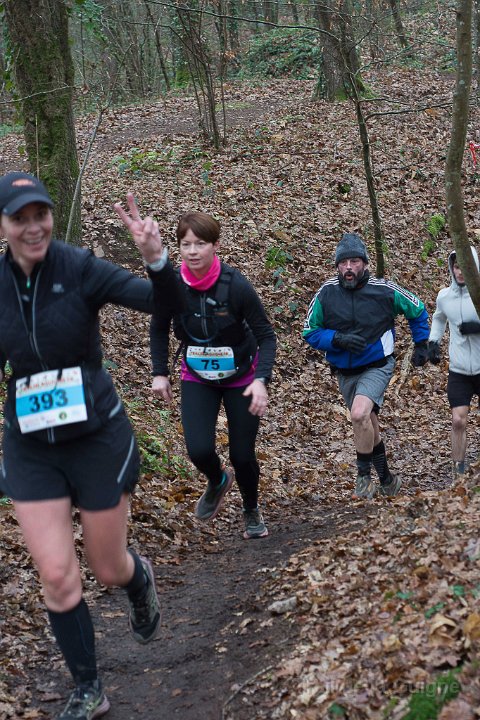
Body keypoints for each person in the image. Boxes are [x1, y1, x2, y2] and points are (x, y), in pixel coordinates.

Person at [0, 173, 180, 720]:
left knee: (107, 567)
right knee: (57, 575)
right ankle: (88, 688)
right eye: (20, 218)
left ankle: (137, 578)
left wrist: (156, 260)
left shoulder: (79, 267)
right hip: (31, 444)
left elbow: (164, 304)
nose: (34, 227)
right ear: (3, 226)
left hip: (96, 437)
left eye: (41, 215)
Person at [115, 206, 276, 539]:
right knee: (199, 449)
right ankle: (218, 480)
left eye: (200, 244)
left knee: (242, 454)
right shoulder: (173, 285)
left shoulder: (236, 286)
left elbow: (266, 336)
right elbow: (158, 328)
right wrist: (160, 373)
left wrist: (261, 380)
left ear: (215, 245)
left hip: (241, 378)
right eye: (185, 244)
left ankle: (251, 509)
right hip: (197, 375)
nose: (192, 252)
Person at [302, 232, 430, 499]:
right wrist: (337, 339)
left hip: (377, 365)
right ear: (337, 266)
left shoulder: (383, 290)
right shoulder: (326, 293)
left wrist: (421, 343)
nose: (349, 268)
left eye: (354, 262)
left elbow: (417, 309)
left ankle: (363, 480)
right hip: (345, 371)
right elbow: (309, 331)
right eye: (343, 263)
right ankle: (387, 479)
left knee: (359, 414)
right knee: (367, 421)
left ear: (365, 264)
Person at [428, 247, 480, 480]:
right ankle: (458, 472)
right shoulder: (444, 296)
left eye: (464, 266)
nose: (460, 272)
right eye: (456, 266)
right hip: (459, 370)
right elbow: (439, 318)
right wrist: (433, 342)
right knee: (458, 420)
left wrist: (477, 327)